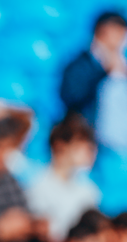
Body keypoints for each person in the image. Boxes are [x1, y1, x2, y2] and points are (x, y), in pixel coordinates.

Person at [61, 11, 127, 214]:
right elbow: (72, 96)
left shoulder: (121, 68)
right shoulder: (81, 65)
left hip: (118, 149)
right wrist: (102, 72)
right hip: (89, 144)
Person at [26, 115, 100, 242]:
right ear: (60, 146)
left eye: (91, 146)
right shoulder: (36, 183)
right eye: (80, 145)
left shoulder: (89, 189)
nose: (90, 151)